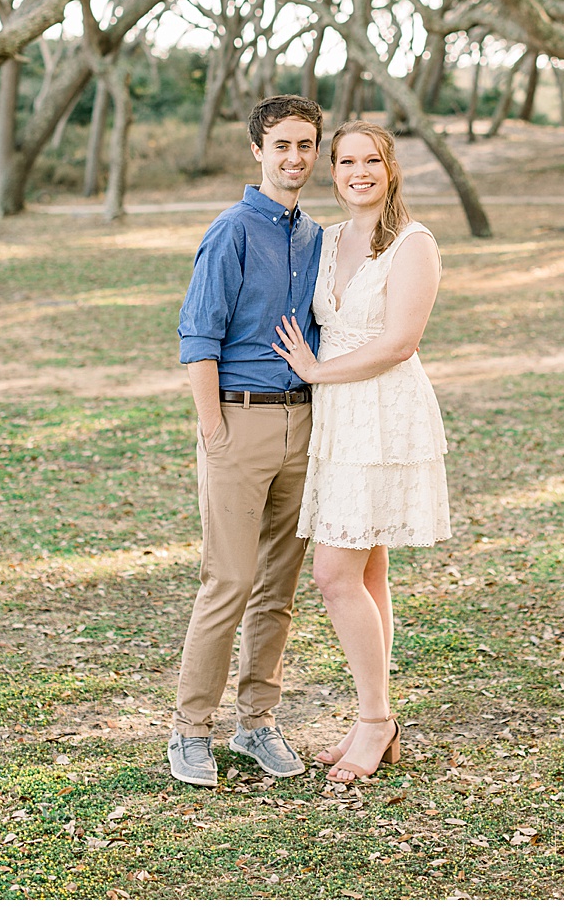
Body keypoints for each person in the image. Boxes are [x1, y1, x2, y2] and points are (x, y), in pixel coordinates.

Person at [272, 119, 450, 783]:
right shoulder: (325, 240)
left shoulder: (412, 243)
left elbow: (401, 341)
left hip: (383, 412)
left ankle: (376, 721)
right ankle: (373, 715)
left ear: (390, 168)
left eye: (370, 160)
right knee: (366, 571)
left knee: (333, 575)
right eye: (346, 161)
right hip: (338, 417)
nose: (358, 172)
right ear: (333, 170)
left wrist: (317, 371)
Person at [169, 95, 324, 788]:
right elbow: (198, 337)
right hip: (237, 420)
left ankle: (257, 723)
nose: (295, 158)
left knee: (278, 588)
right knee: (227, 581)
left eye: (306, 145)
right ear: (257, 150)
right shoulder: (231, 230)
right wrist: (214, 432)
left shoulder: (317, 235)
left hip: (306, 423)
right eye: (282, 145)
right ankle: (189, 731)